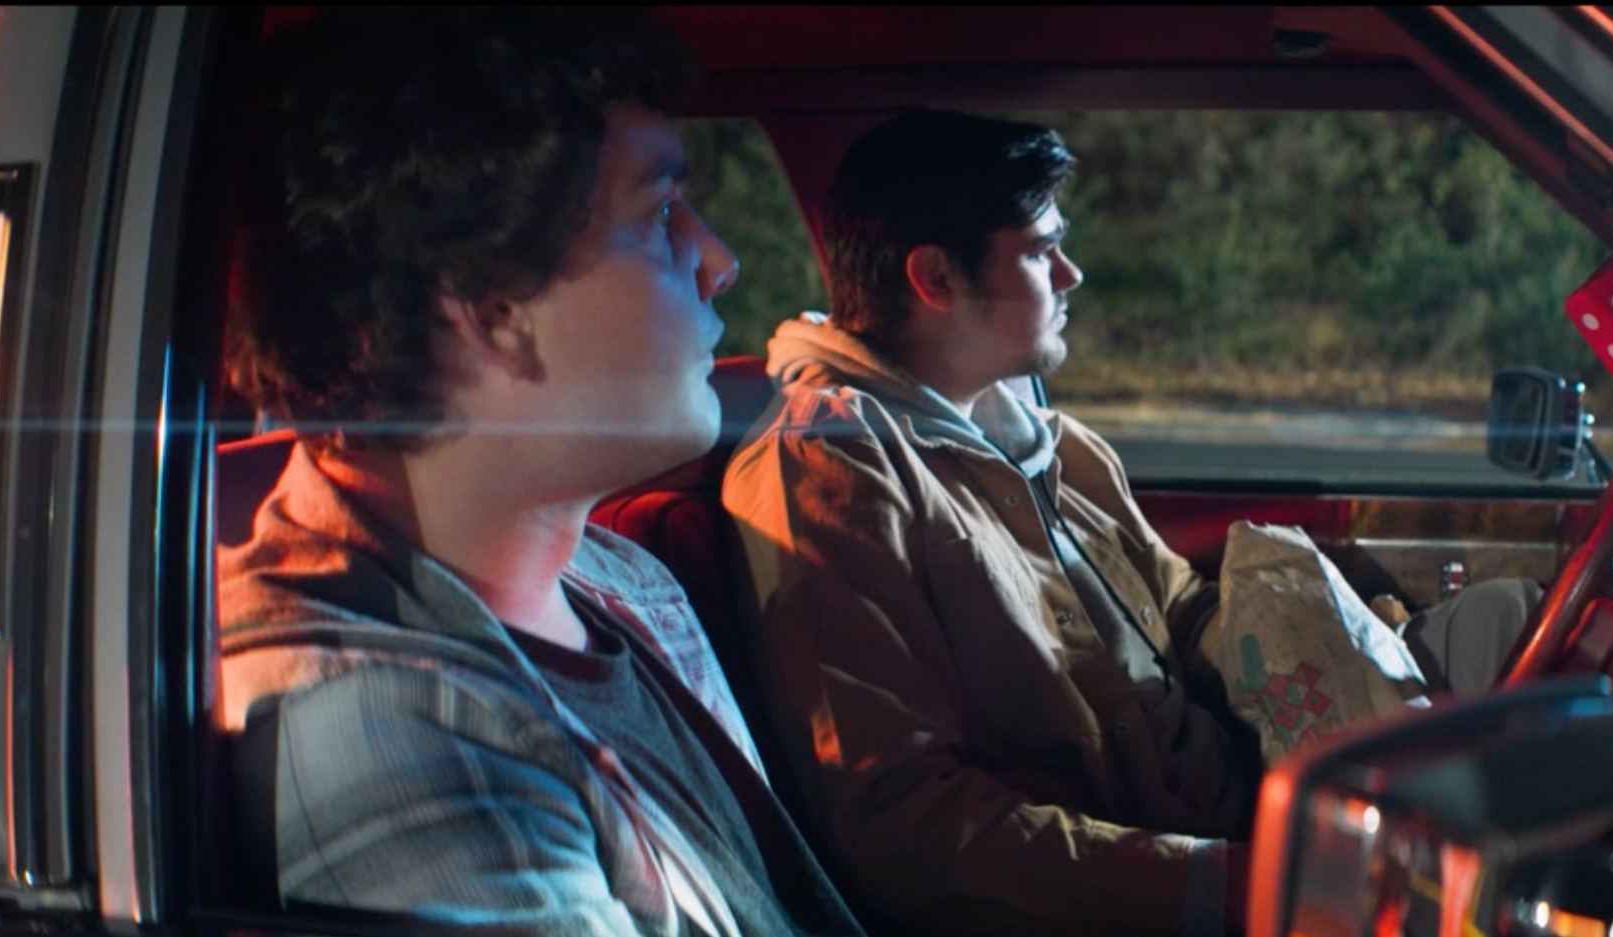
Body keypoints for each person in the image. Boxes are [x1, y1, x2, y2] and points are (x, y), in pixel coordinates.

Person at [721, 109, 1538, 937]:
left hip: (1260, 819)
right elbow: (907, 824)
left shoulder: (1053, 447)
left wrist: (1334, 669)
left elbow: (1179, 607)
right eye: (1041, 251)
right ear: (936, 278)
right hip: (1158, 894)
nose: (1071, 274)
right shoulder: (829, 469)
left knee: (1517, 670)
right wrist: (1236, 885)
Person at [215, 9, 863, 936]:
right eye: (659, 213)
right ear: (494, 310)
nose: (718, 260)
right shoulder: (379, 730)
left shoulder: (620, 578)